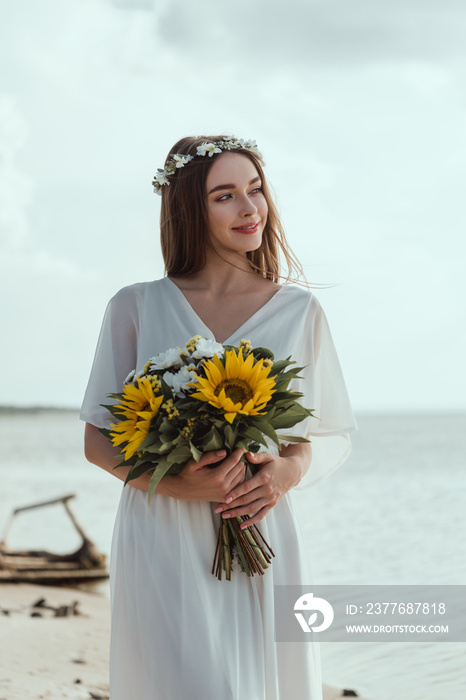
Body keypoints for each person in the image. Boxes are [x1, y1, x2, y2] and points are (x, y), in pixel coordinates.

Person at [81, 135, 357, 700]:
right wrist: (178, 483)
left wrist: (285, 472)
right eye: (225, 195)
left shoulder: (299, 310)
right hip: (161, 527)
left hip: (258, 523)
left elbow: (325, 432)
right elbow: (96, 439)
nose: (250, 207)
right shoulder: (135, 306)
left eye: (255, 189)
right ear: (189, 208)